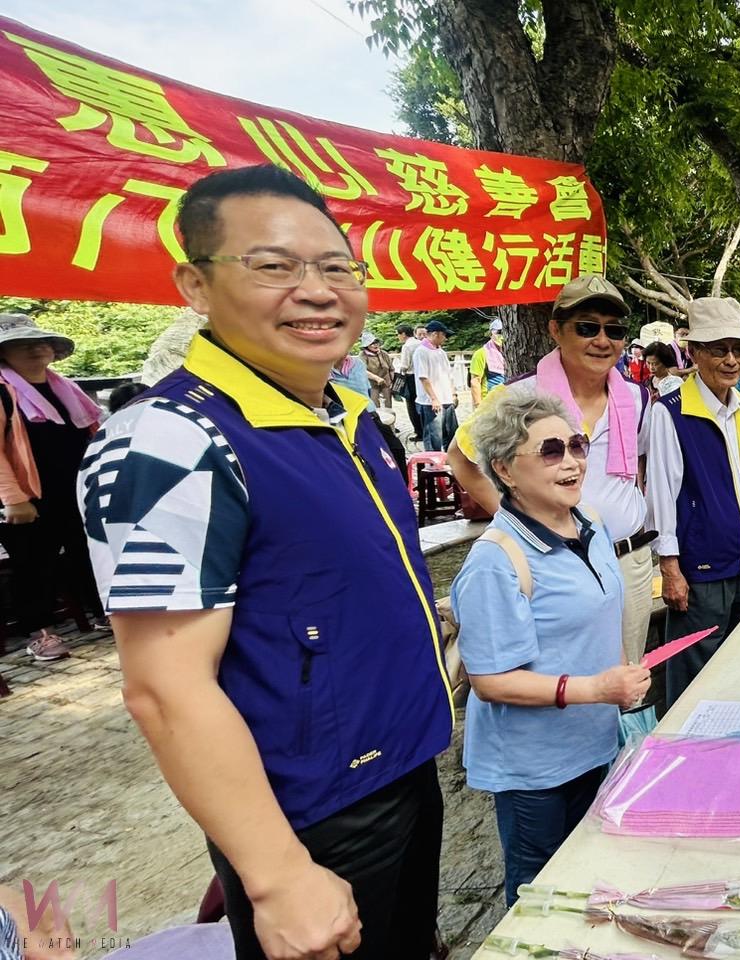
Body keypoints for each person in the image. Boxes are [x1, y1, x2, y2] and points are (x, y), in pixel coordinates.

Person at [78, 165, 451, 960]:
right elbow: (164, 686)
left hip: (402, 766)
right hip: (311, 810)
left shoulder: (348, 416)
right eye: (274, 266)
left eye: (336, 268)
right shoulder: (168, 439)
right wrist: (278, 875)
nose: (316, 291)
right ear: (195, 284)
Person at [452, 389, 651, 904]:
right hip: (533, 769)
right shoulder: (497, 561)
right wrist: (596, 687)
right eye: (550, 451)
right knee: (541, 898)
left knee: (589, 880)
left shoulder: (593, 526)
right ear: (506, 470)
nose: (571, 463)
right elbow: (491, 681)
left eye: (577, 446)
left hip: (594, 747)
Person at [450, 274, 656, 669]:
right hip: (550, 562)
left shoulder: (636, 396)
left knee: (628, 676)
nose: (602, 340)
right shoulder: (519, 396)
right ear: (556, 330)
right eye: (586, 327)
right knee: (560, 672)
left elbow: (638, 468)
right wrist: (522, 522)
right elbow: (460, 458)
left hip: (627, 559)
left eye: (614, 330)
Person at [645, 298, 740, 706]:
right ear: (693, 353)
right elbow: (661, 494)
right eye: (718, 349)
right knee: (697, 675)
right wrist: (670, 567)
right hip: (702, 570)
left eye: (739, 349)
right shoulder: (670, 414)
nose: (731, 360)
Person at [0, 314, 103, 663]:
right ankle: (40, 633)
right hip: (30, 498)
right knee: (33, 564)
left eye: (41, 341)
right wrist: (14, 499)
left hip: (76, 489)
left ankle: (104, 612)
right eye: (21, 344)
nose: (35, 347)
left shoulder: (66, 388)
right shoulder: (3, 392)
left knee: (89, 552)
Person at [412, 319, 458, 451]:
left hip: (446, 398)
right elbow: (423, 377)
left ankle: (450, 460)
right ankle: (433, 464)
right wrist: (434, 398)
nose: (445, 339)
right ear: (435, 334)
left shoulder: (441, 352)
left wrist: (453, 393)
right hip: (430, 401)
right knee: (434, 436)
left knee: (451, 432)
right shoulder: (421, 351)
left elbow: (449, 375)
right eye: (444, 335)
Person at [469, 319, 507, 405]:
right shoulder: (481, 353)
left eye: (506, 331)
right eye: (499, 332)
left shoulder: (512, 352)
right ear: (491, 334)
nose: (502, 335)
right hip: (489, 403)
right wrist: (478, 406)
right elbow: (475, 381)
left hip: (509, 402)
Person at [396, 322, 422, 438]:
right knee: (421, 403)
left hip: (411, 378)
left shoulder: (407, 346)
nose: (398, 337)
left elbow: (404, 365)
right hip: (421, 377)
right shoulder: (420, 343)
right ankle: (425, 428)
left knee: (411, 405)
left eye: (398, 334)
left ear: (404, 334)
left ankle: (418, 431)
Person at [360, 329, 395, 406]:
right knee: (375, 406)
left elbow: (391, 369)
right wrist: (376, 378)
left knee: (388, 406)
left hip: (386, 384)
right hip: (372, 385)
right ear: (366, 346)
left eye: (376, 342)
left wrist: (392, 382)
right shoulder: (363, 355)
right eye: (372, 343)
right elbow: (363, 370)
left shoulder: (383, 353)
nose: (375, 345)